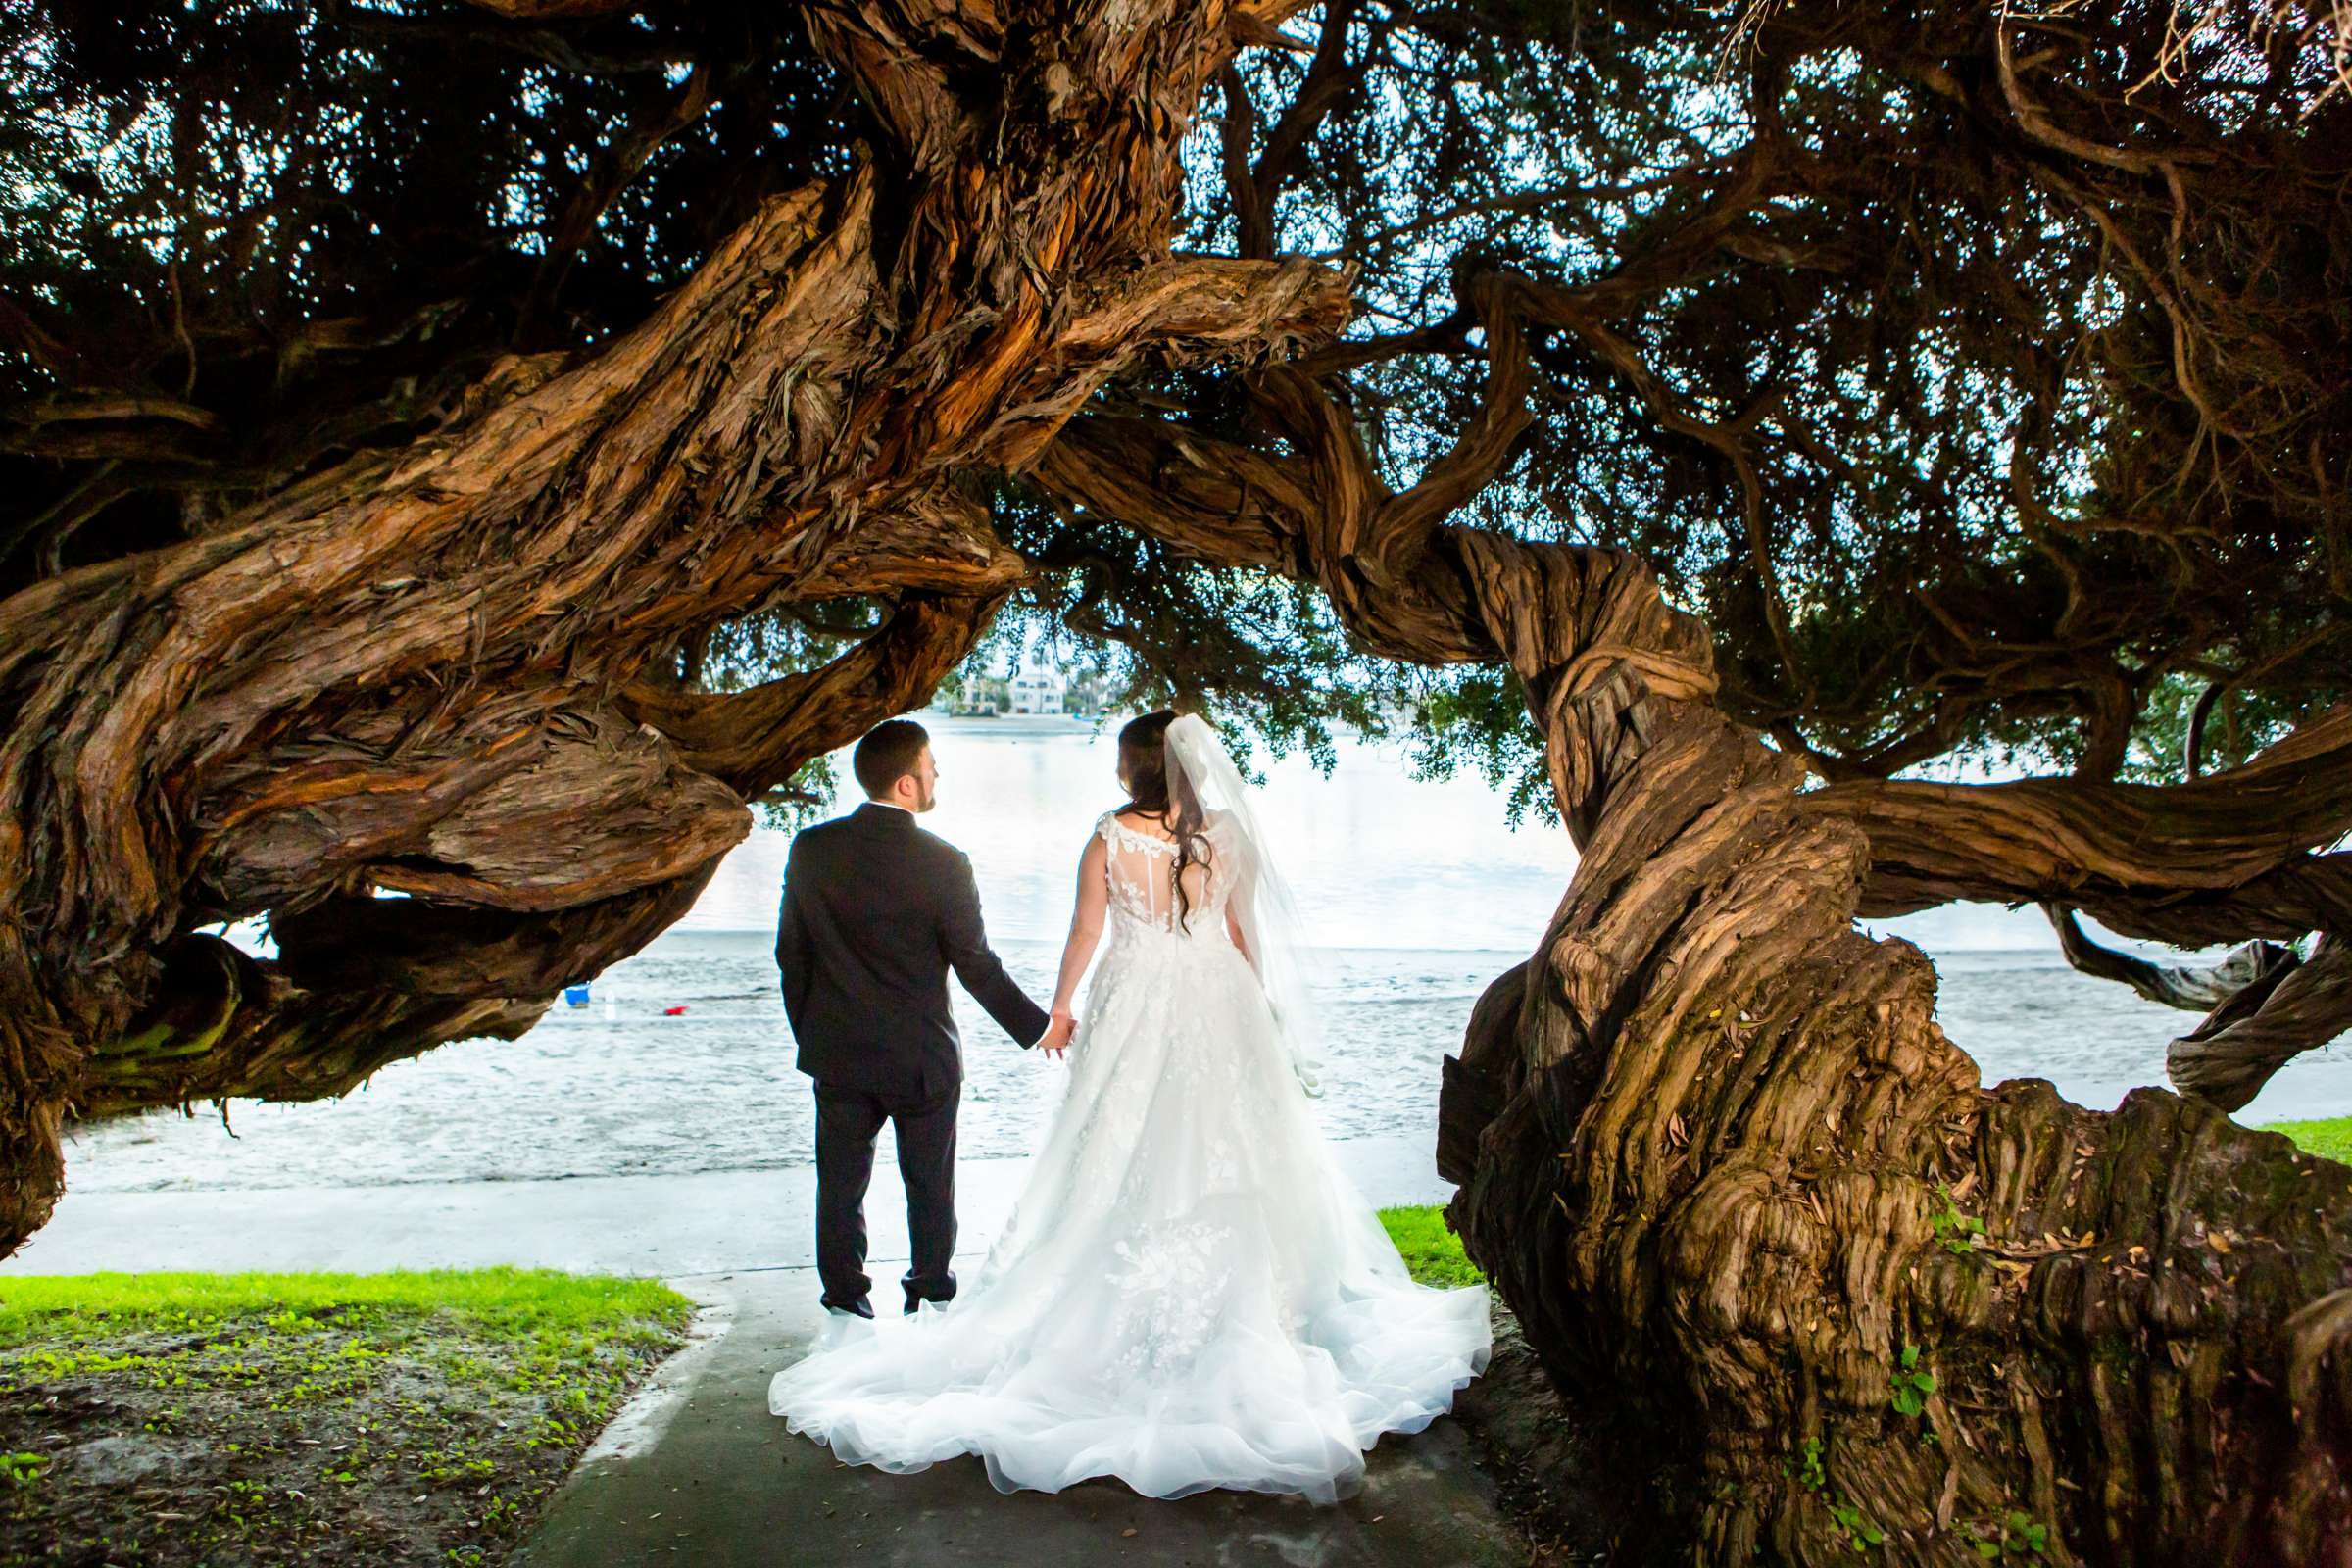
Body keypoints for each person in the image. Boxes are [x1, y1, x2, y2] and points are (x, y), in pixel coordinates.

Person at [768, 710, 1491, 1502]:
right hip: (1213, 1004)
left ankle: (856, 1300)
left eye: (1119, 762)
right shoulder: (1225, 838)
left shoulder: (1102, 838)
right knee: (1226, 1143)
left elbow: (1083, 929)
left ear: (1134, 772)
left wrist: (1060, 1008)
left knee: (1085, 1154)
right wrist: (1256, 1012)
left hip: (1099, 1008)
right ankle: (945, 1285)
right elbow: (1241, 938)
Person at [774, 718, 1068, 1320]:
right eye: (932, 765)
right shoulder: (945, 863)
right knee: (930, 1183)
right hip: (923, 1058)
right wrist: (1039, 1027)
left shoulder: (812, 848)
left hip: (840, 1053)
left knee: (840, 1183)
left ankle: (846, 1296)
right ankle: (929, 1292)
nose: (938, 775)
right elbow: (976, 966)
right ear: (907, 783)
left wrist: (813, 1035)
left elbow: (791, 956)